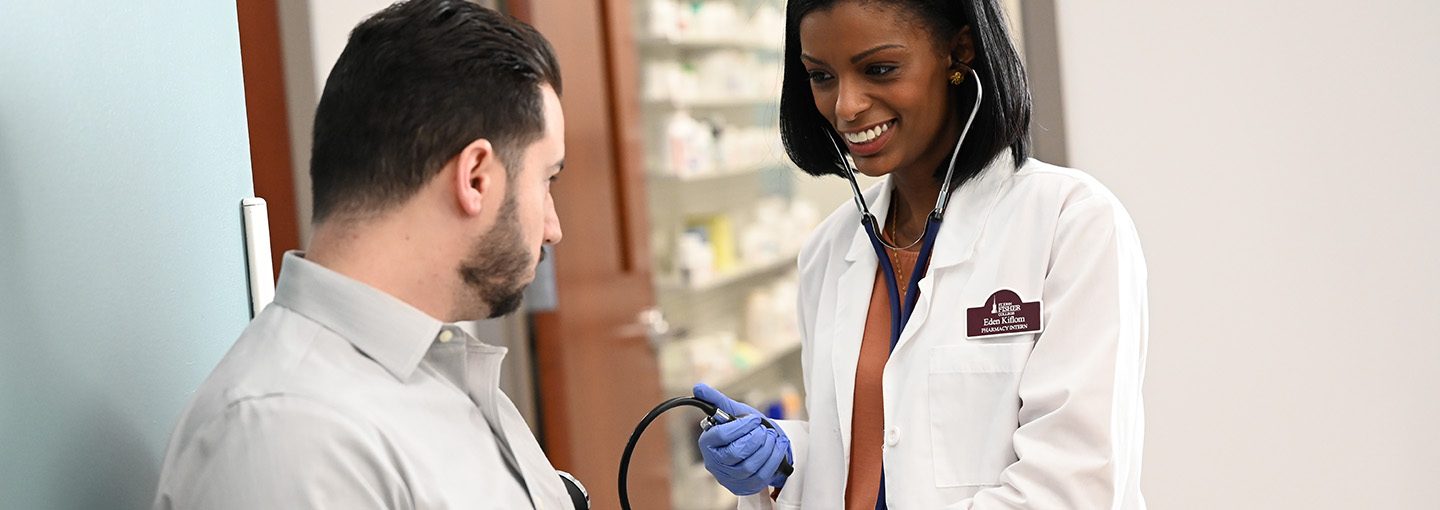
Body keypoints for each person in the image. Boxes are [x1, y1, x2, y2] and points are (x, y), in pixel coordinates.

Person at [693, 0, 1148, 508]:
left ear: (959, 51)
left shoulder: (1070, 222)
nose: (845, 106)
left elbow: (1073, 484)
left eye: (879, 69)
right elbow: (865, 452)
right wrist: (783, 462)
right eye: (821, 76)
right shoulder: (828, 250)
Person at [152, 1, 576, 508]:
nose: (553, 229)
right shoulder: (293, 435)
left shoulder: (442, 372)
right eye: (546, 180)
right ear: (476, 178)